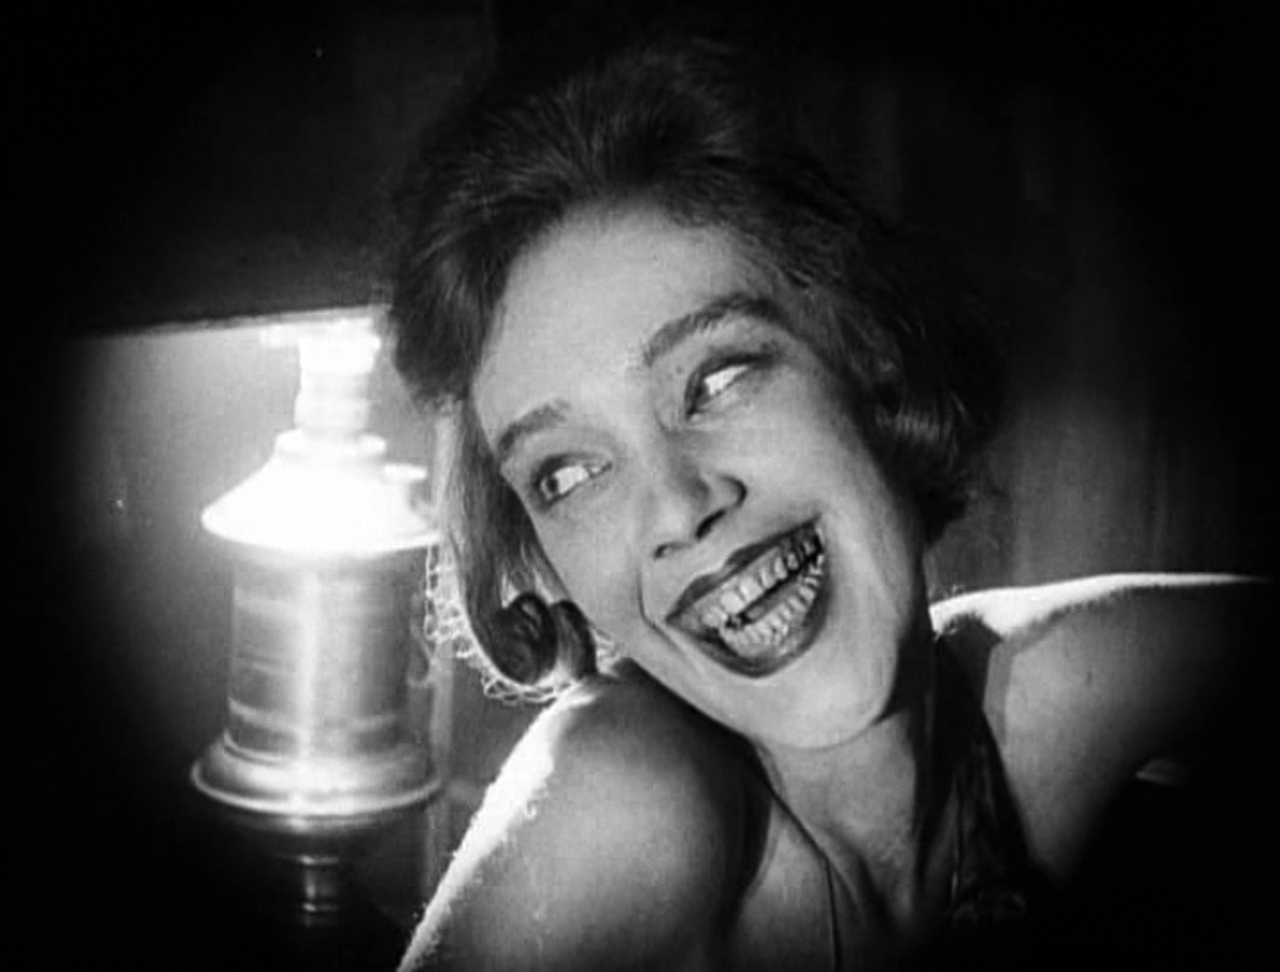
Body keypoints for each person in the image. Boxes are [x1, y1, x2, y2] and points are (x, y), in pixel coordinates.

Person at [387, 33, 1267, 971]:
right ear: (544, 565)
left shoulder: (1035, 697)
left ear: (866, 349)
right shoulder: (623, 800)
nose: (679, 509)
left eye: (716, 379)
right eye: (567, 474)